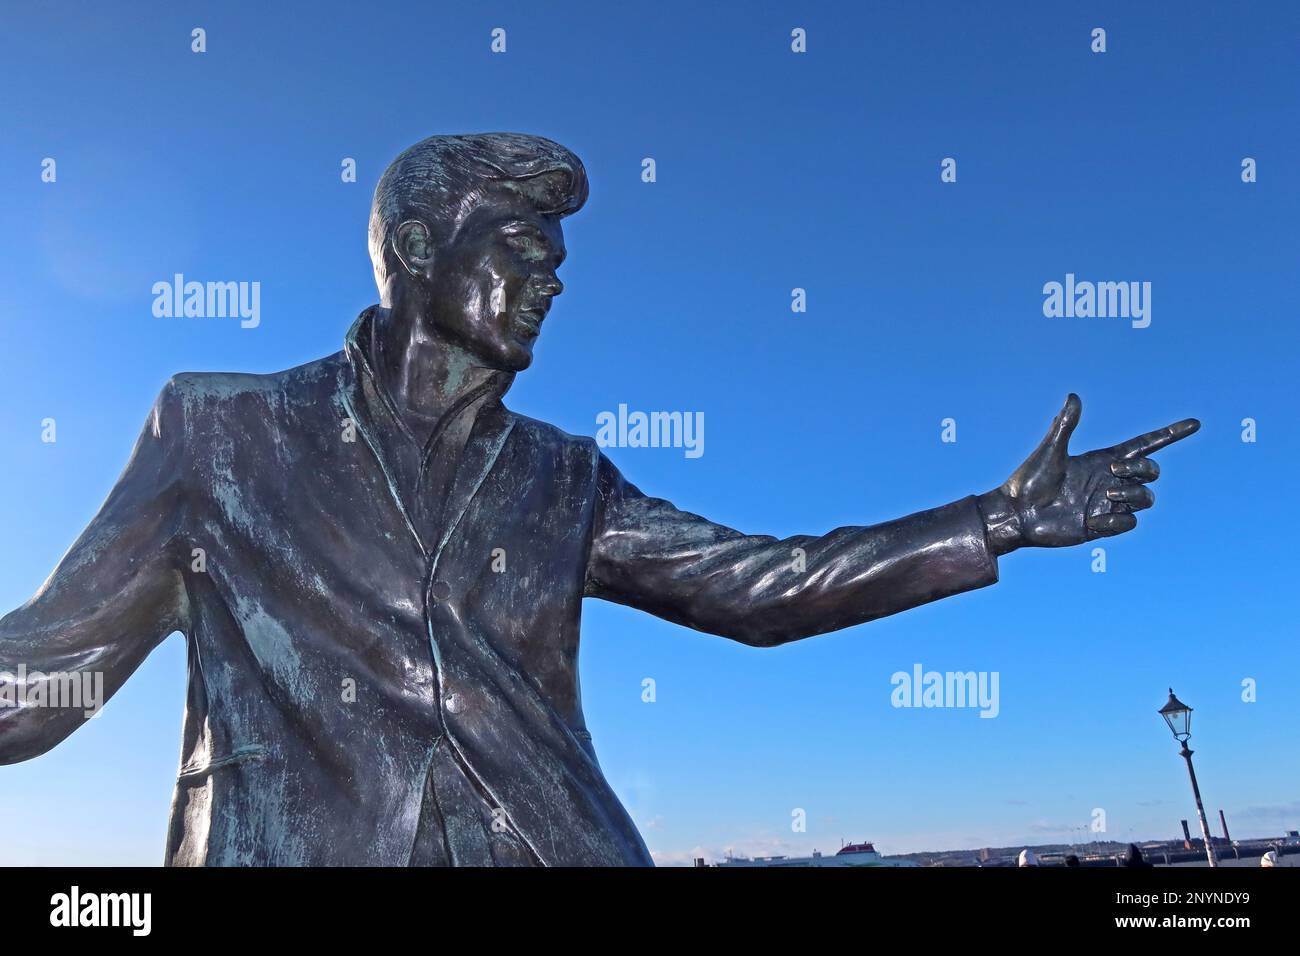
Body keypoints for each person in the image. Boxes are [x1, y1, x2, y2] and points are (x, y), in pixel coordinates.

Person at [0, 133, 1201, 866]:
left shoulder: (563, 476)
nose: (551, 280)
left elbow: (761, 585)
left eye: (560, 262)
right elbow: (50, 676)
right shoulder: (219, 431)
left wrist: (992, 519)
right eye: (522, 246)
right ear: (417, 245)